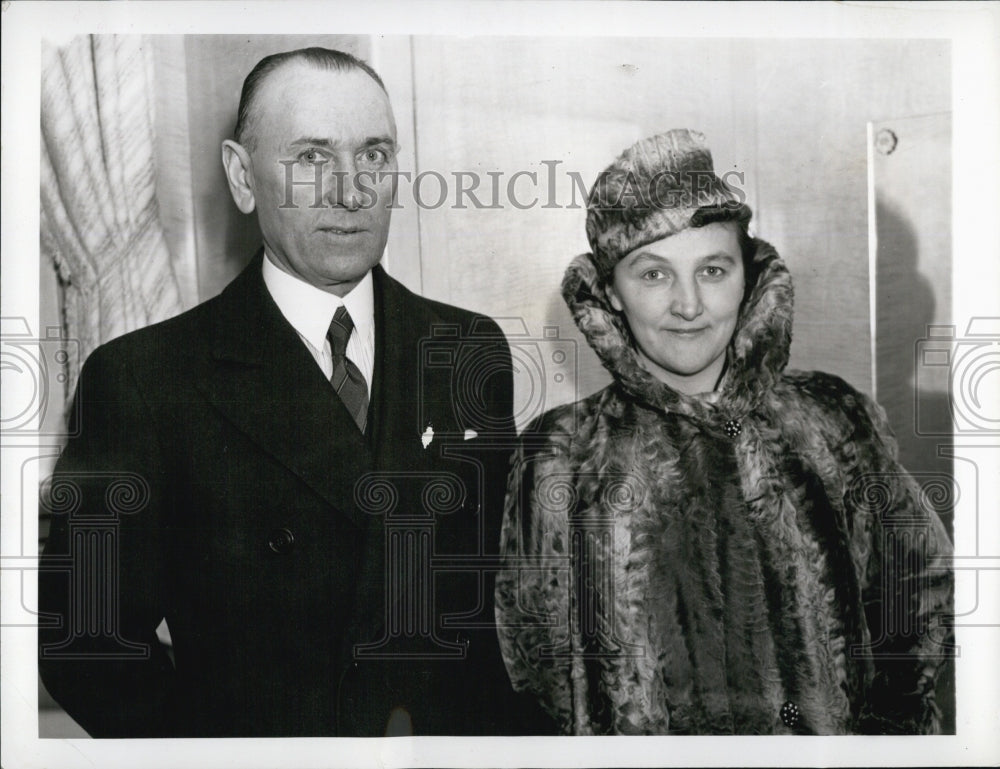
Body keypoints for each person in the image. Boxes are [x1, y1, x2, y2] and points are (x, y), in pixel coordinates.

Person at [39, 47, 545, 737]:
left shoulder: (466, 349)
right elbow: (86, 644)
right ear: (243, 178)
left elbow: (500, 616)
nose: (350, 190)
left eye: (373, 155)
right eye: (312, 157)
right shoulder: (143, 379)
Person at [495, 129, 954, 735]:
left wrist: (879, 737)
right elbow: (535, 661)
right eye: (653, 275)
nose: (689, 304)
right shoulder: (562, 453)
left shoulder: (833, 419)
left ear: (748, 274)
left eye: (712, 269)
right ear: (609, 291)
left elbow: (917, 598)